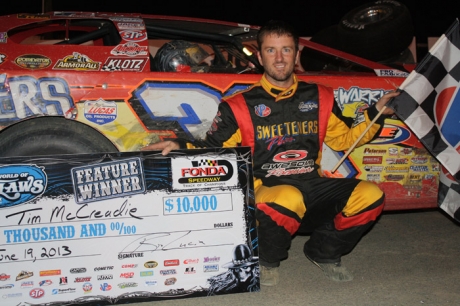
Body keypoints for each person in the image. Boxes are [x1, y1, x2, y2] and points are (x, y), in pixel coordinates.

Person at [142, 20, 399, 285]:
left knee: (371, 194)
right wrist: (180, 146)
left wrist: (375, 113)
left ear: (297, 55)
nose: (279, 59)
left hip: (312, 184)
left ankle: (323, 252)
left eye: (286, 50)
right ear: (261, 57)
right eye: (271, 51)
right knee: (288, 197)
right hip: (268, 192)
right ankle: (267, 259)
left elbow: (344, 138)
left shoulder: (320, 96)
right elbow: (215, 148)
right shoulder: (239, 105)